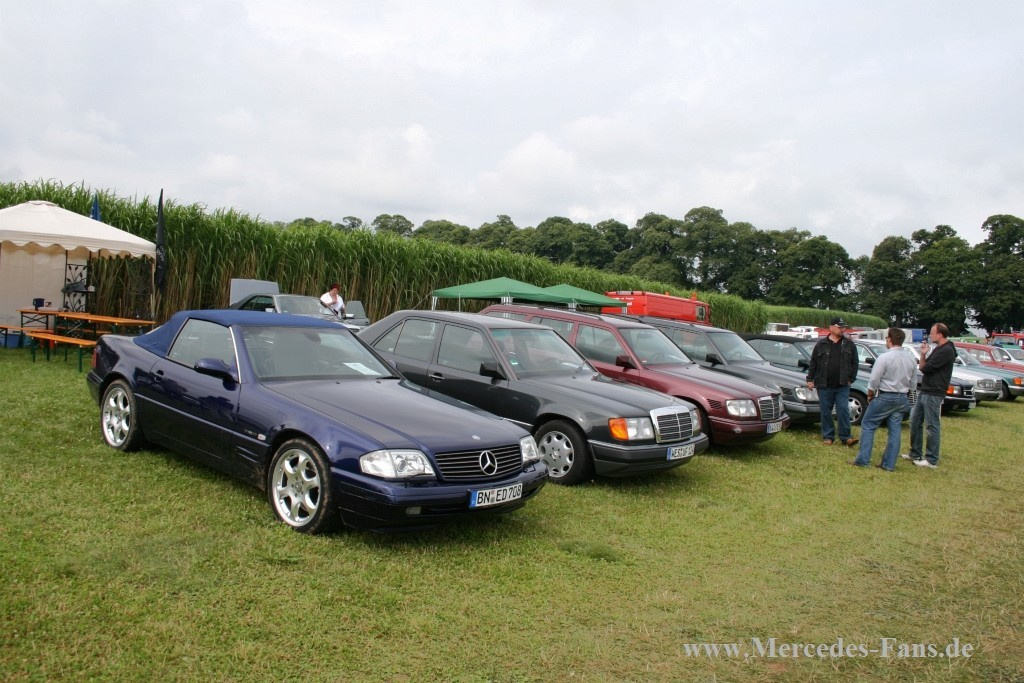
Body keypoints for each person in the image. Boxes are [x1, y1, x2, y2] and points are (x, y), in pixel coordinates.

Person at [851, 328, 918, 471]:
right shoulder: (911, 359)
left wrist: (870, 394)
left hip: (886, 395)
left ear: (890, 339)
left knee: (868, 424)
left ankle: (863, 460)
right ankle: (889, 464)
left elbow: (874, 380)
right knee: (895, 430)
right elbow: (913, 384)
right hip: (902, 397)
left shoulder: (884, 358)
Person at [902, 323, 957, 469]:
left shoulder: (946, 350)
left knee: (932, 425)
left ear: (940, 334)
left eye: (932, 333)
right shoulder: (939, 348)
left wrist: (923, 357)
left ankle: (931, 459)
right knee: (914, 420)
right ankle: (915, 453)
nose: (930, 335)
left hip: (934, 392)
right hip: (926, 390)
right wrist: (923, 354)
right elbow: (924, 366)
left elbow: (924, 368)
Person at [806, 317, 860, 446]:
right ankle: (828, 437)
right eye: (840, 327)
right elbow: (813, 363)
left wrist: (851, 379)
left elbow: (855, 363)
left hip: (842, 385)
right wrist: (810, 379)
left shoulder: (849, 344)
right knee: (826, 411)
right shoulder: (821, 344)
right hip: (824, 384)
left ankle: (846, 437)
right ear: (831, 328)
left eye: (843, 327)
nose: (842, 329)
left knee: (843, 409)